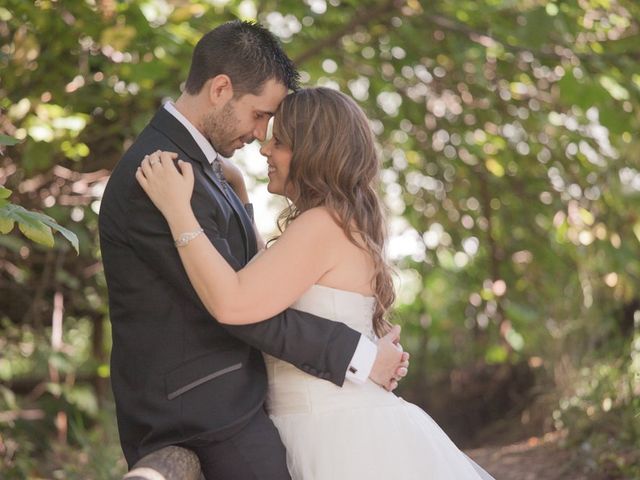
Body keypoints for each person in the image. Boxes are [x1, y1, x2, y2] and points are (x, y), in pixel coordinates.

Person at [98, 21, 408, 479]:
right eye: (262, 115)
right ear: (221, 89)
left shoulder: (204, 172)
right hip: (201, 411)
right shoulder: (160, 175)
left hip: (230, 403)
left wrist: (242, 202)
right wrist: (358, 355)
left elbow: (255, 277)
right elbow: (239, 303)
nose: (263, 135)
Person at [136, 87, 496, 479]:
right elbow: (271, 276)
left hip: (331, 432)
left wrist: (177, 212)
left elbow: (235, 301)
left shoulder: (321, 225)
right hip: (332, 420)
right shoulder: (338, 221)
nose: (264, 150)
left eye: (280, 142)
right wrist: (239, 194)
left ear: (313, 152)